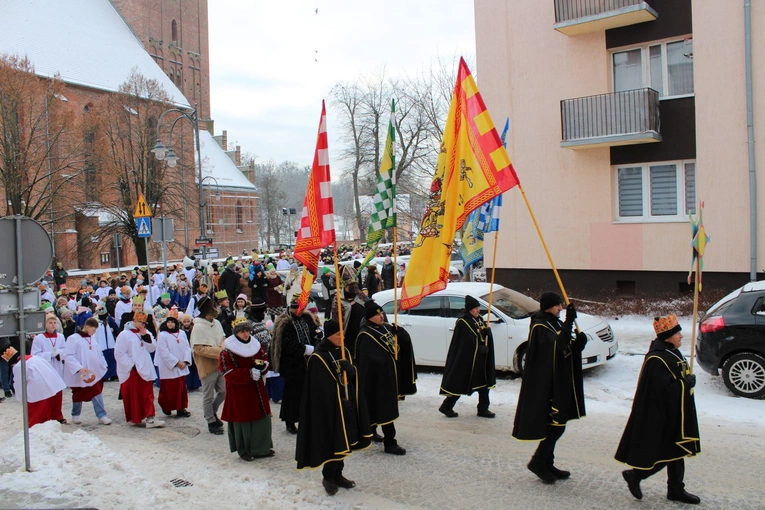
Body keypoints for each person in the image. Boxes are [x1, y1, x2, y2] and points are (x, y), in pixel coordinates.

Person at [616, 314, 701, 505]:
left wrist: (686, 382)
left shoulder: (671, 351)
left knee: (676, 450)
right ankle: (637, 476)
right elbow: (661, 390)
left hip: (675, 411)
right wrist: (685, 384)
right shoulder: (657, 359)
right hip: (661, 414)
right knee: (670, 450)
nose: (681, 336)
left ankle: (675, 489)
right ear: (668, 335)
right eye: (677, 332)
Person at [512, 292, 586, 483]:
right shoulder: (540, 326)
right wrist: (569, 322)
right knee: (556, 427)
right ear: (548, 307)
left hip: (560, 381)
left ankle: (547, 462)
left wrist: (577, 346)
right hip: (548, 385)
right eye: (557, 306)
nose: (560, 309)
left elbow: (565, 350)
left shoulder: (554, 322)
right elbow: (557, 348)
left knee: (557, 425)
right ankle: (537, 462)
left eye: (561, 306)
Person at [296, 319, 372, 496]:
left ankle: (338, 474)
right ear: (329, 336)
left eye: (342, 333)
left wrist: (352, 370)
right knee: (333, 441)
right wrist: (338, 400)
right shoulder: (318, 357)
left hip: (346, 404)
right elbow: (319, 387)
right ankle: (328, 477)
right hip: (329, 408)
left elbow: (352, 378)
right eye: (338, 334)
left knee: (345, 440)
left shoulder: (343, 351)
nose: (342, 336)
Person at [355, 300, 406, 455]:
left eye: (381, 313)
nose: (381, 316)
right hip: (376, 380)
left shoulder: (383, 328)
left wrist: (400, 333)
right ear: (370, 317)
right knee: (384, 410)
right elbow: (369, 358)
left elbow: (394, 347)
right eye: (377, 314)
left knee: (378, 409)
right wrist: (385, 362)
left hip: (386, 377)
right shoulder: (365, 334)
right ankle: (390, 443)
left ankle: (370, 432)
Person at [219, 317, 274, 461]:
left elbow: (263, 358)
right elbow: (227, 372)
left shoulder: (256, 345)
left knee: (261, 417)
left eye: (247, 331)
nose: (245, 334)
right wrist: (248, 373)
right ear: (236, 333)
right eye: (242, 331)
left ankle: (261, 448)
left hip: (256, 388)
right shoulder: (228, 351)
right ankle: (244, 450)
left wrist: (263, 367)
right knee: (242, 418)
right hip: (239, 391)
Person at [438, 295, 496, 418]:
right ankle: (446, 406)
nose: (478, 310)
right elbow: (465, 342)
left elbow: (482, 336)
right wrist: (478, 346)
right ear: (469, 309)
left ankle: (483, 409)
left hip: (480, 359)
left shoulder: (479, 319)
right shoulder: (463, 322)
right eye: (475, 308)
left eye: (478, 308)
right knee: (461, 383)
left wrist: (487, 335)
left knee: (484, 384)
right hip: (467, 360)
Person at [272, 296, 321, 434]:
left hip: (307, 362)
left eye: (300, 308)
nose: (298, 311)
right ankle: (290, 420)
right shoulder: (285, 323)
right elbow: (286, 345)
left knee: (306, 392)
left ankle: (306, 418)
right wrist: (306, 349)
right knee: (292, 393)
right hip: (292, 364)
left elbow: (314, 330)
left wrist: (318, 334)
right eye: (295, 308)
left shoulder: (306, 318)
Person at [114, 311, 164, 428]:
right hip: (132, 369)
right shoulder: (124, 334)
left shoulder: (146, 332)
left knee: (147, 394)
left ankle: (150, 417)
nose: (142, 325)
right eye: (140, 322)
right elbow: (119, 352)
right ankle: (136, 417)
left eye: (144, 323)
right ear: (134, 321)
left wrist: (145, 336)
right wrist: (131, 365)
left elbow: (152, 348)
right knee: (135, 394)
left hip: (145, 366)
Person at [189, 295, 227, 434]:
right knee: (208, 395)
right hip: (207, 365)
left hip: (220, 363)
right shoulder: (198, 327)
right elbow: (198, 348)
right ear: (207, 310)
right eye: (214, 306)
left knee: (223, 391)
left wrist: (222, 346)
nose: (217, 309)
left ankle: (212, 412)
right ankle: (211, 421)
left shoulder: (216, 323)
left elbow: (223, 337)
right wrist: (219, 351)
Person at [63, 318, 111, 425]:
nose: (94, 333)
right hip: (81, 372)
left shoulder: (92, 338)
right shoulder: (73, 338)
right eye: (93, 330)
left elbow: (98, 352)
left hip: (94, 371)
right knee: (78, 393)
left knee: (96, 391)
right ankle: (75, 414)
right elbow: (68, 355)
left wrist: (103, 365)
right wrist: (78, 368)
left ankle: (101, 415)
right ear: (87, 327)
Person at [9, 349, 67, 427]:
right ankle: (57, 418)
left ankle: (37, 426)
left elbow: (20, 383)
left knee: (37, 413)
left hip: (40, 389)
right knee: (54, 405)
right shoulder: (35, 357)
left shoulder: (19, 366)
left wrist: (21, 397)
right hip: (55, 383)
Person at [155, 311, 192, 418]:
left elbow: (187, 347)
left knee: (181, 388)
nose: (170, 324)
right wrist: (176, 362)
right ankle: (167, 407)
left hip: (182, 366)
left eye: (172, 322)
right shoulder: (162, 335)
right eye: (168, 322)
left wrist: (185, 361)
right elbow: (163, 351)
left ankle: (181, 408)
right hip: (169, 367)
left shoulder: (182, 333)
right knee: (169, 389)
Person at [330, 265, 366, 357]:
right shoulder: (338, 300)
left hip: (363, 336)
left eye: (356, 285)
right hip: (348, 338)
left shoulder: (361, 296)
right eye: (352, 286)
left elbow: (372, 308)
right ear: (346, 286)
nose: (355, 288)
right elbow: (336, 322)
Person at [31, 314, 66, 379]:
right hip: (45, 366)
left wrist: (58, 353)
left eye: (55, 323)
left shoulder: (61, 337)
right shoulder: (39, 338)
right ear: (45, 324)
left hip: (57, 366)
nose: (53, 325)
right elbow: (35, 355)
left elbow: (65, 350)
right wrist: (50, 354)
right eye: (50, 323)